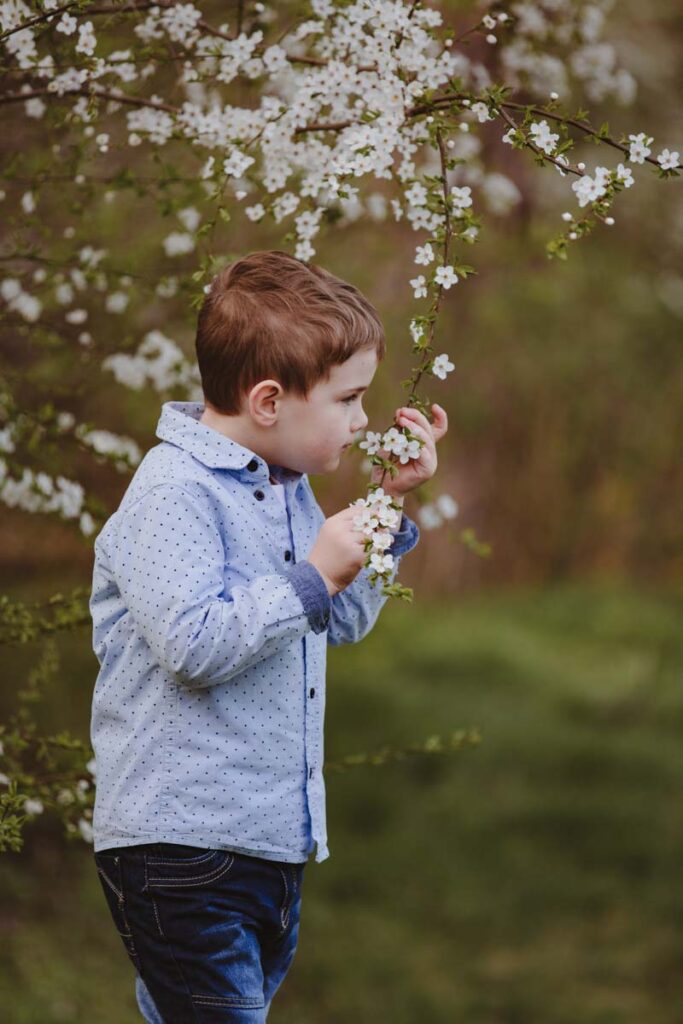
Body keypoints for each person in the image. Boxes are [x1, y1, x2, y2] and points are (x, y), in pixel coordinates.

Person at [89, 250, 447, 1022]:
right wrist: (311, 576)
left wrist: (382, 506)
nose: (361, 421)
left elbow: (339, 618)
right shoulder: (173, 491)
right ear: (268, 401)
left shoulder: (286, 491)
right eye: (348, 400)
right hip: (180, 845)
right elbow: (193, 646)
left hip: (267, 845)